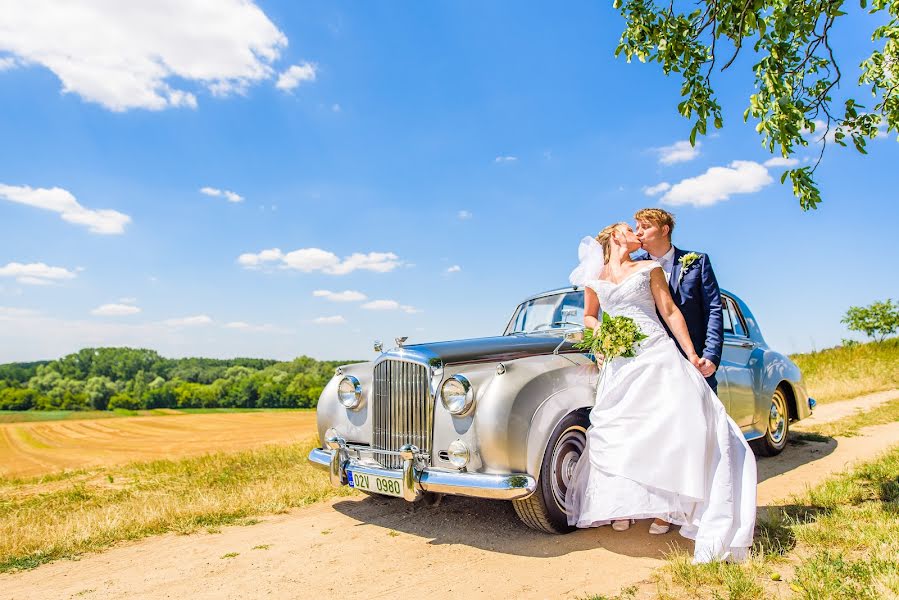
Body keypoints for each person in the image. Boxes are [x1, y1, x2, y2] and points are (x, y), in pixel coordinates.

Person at [565, 223, 756, 564]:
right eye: (628, 228)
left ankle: (668, 509)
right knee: (623, 431)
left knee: (668, 426)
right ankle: (621, 503)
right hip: (620, 361)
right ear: (613, 237)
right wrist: (604, 334)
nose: (635, 231)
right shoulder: (594, 278)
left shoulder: (649, 268)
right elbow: (590, 317)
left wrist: (692, 354)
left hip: (656, 352)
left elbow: (669, 311)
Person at [633, 208, 723, 393]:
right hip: (649, 361)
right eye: (637, 227)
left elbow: (713, 309)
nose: (638, 232)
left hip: (694, 359)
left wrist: (711, 355)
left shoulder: (698, 262)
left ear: (664, 230)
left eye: (645, 227)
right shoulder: (634, 268)